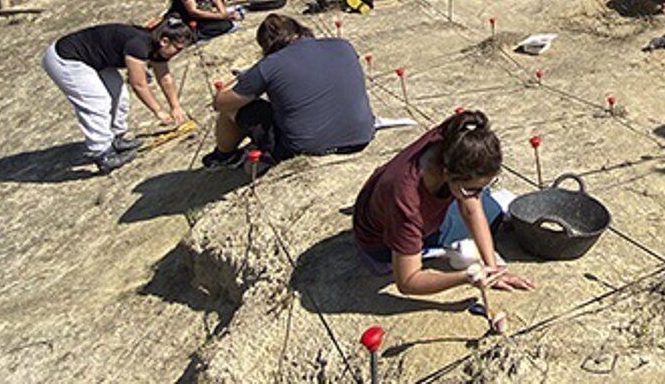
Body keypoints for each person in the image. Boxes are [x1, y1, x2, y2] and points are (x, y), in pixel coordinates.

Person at [352, 110, 535, 300]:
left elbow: (471, 207)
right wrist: (466, 277)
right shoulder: (407, 203)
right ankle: (423, 248)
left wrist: (493, 269)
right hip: (380, 247)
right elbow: (407, 282)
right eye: (470, 190)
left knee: (488, 207)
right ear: (446, 174)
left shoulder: (455, 137)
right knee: (493, 213)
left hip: (378, 207)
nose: (475, 196)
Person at [203, 15, 375, 168]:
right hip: (362, 136)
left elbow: (220, 103)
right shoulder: (342, 45)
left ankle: (224, 156)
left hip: (306, 147)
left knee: (234, 109)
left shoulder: (269, 65)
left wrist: (242, 78)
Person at [43, 19, 195, 172]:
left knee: (118, 94)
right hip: (66, 59)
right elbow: (138, 84)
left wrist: (175, 106)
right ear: (164, 41)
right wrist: (158, 111)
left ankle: (116, 137)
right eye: (178, 48)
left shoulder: (157, 48)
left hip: (94, 59)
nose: (178, 53)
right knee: (97, 102)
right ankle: (102, 153)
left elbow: (165, 77)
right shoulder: (139, 44)